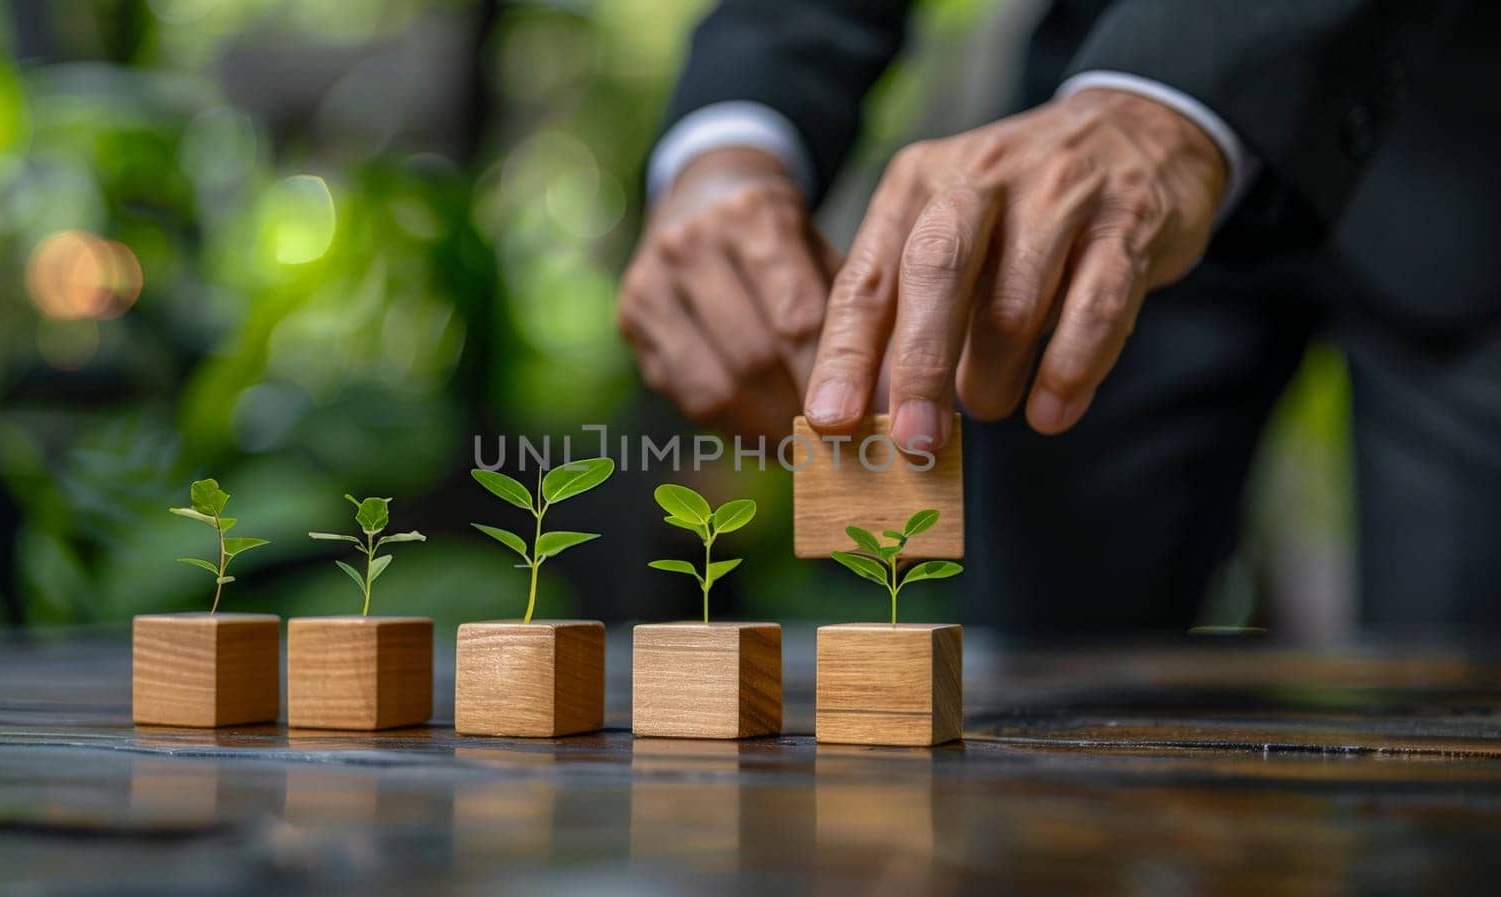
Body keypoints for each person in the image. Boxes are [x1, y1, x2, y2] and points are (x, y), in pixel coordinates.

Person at [617, 0, 1501, 631]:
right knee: (1038, 688)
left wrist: (1171, 95)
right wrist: (728, 143)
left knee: (1457, 712)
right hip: (1063, 201)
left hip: (1466, 159)